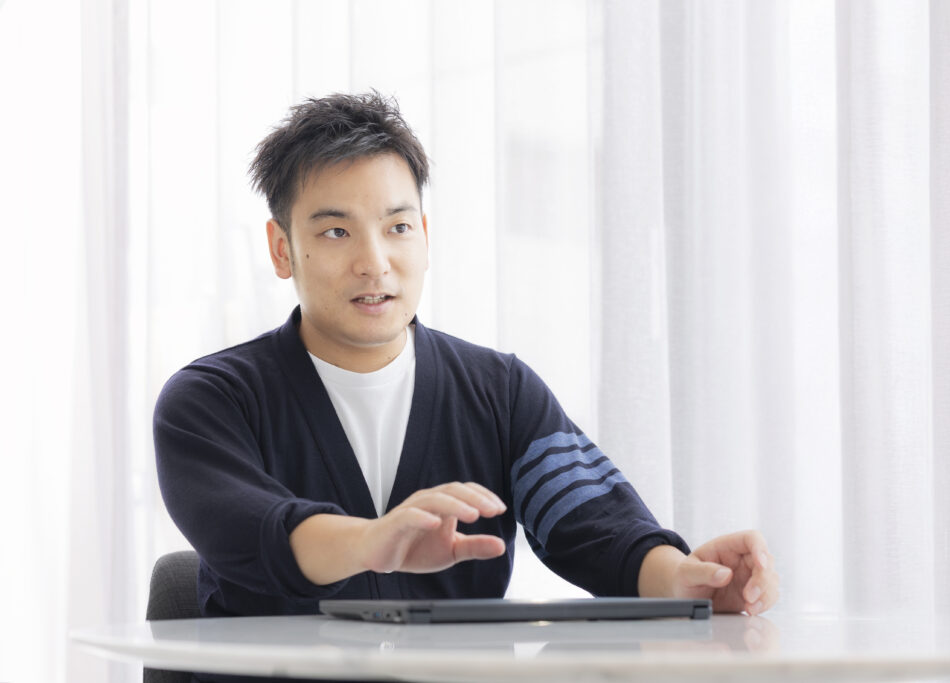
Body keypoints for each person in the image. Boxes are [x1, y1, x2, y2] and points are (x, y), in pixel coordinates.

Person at [153, 92, 778, 664]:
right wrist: (375, 541)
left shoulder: (499, 392)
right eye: (336, 231)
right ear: (281, 248)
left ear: (424, 236)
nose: (374, 262)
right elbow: (258, 534)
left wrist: (685, 580)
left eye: (398, 227)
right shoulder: (209, 401)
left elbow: (594, 525)